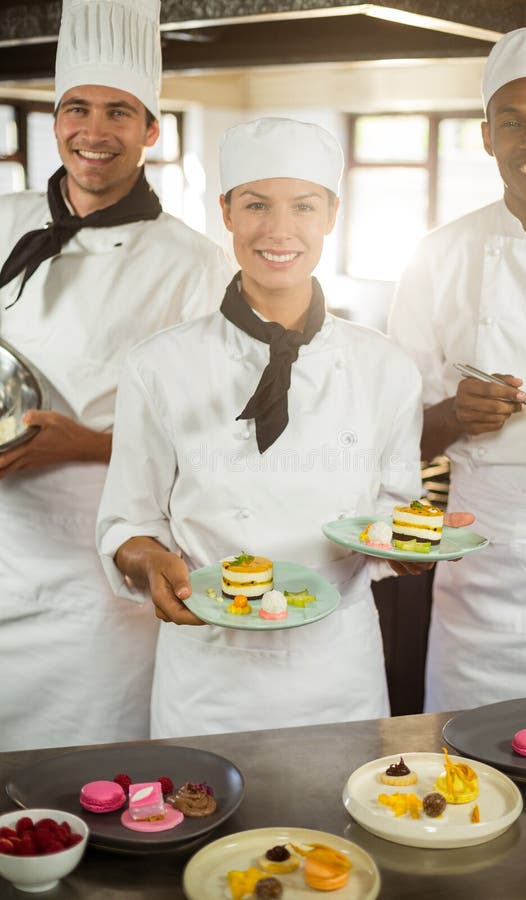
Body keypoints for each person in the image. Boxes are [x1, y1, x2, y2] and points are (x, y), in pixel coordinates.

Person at [97, 116, 471, 738]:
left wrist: (409, 546)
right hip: (207, 672)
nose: (278, 230)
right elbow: (127, 520)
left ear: (331, 213)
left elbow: (392, 510)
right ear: (226, 212)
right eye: (255, 205)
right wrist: (144, 558)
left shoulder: (385, 367)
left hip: (338, 673)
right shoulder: (159, 364)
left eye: (303, 206)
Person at [0, 0, 232, 751]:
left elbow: (216, 432)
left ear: (150, 131)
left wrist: (82, 445)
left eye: (119, 113)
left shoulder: (195, 264)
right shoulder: (5, 220)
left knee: (85, 773)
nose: (93, 133)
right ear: (57, 116)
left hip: (100, 571)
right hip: (4, 545)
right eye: (77, 109)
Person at [388, 26, 526, 712]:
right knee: (463, 775)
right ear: (487, 138)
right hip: (479, 580)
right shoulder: (437, 257)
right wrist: (451, 416)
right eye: (512, 122)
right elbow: (391, 439)